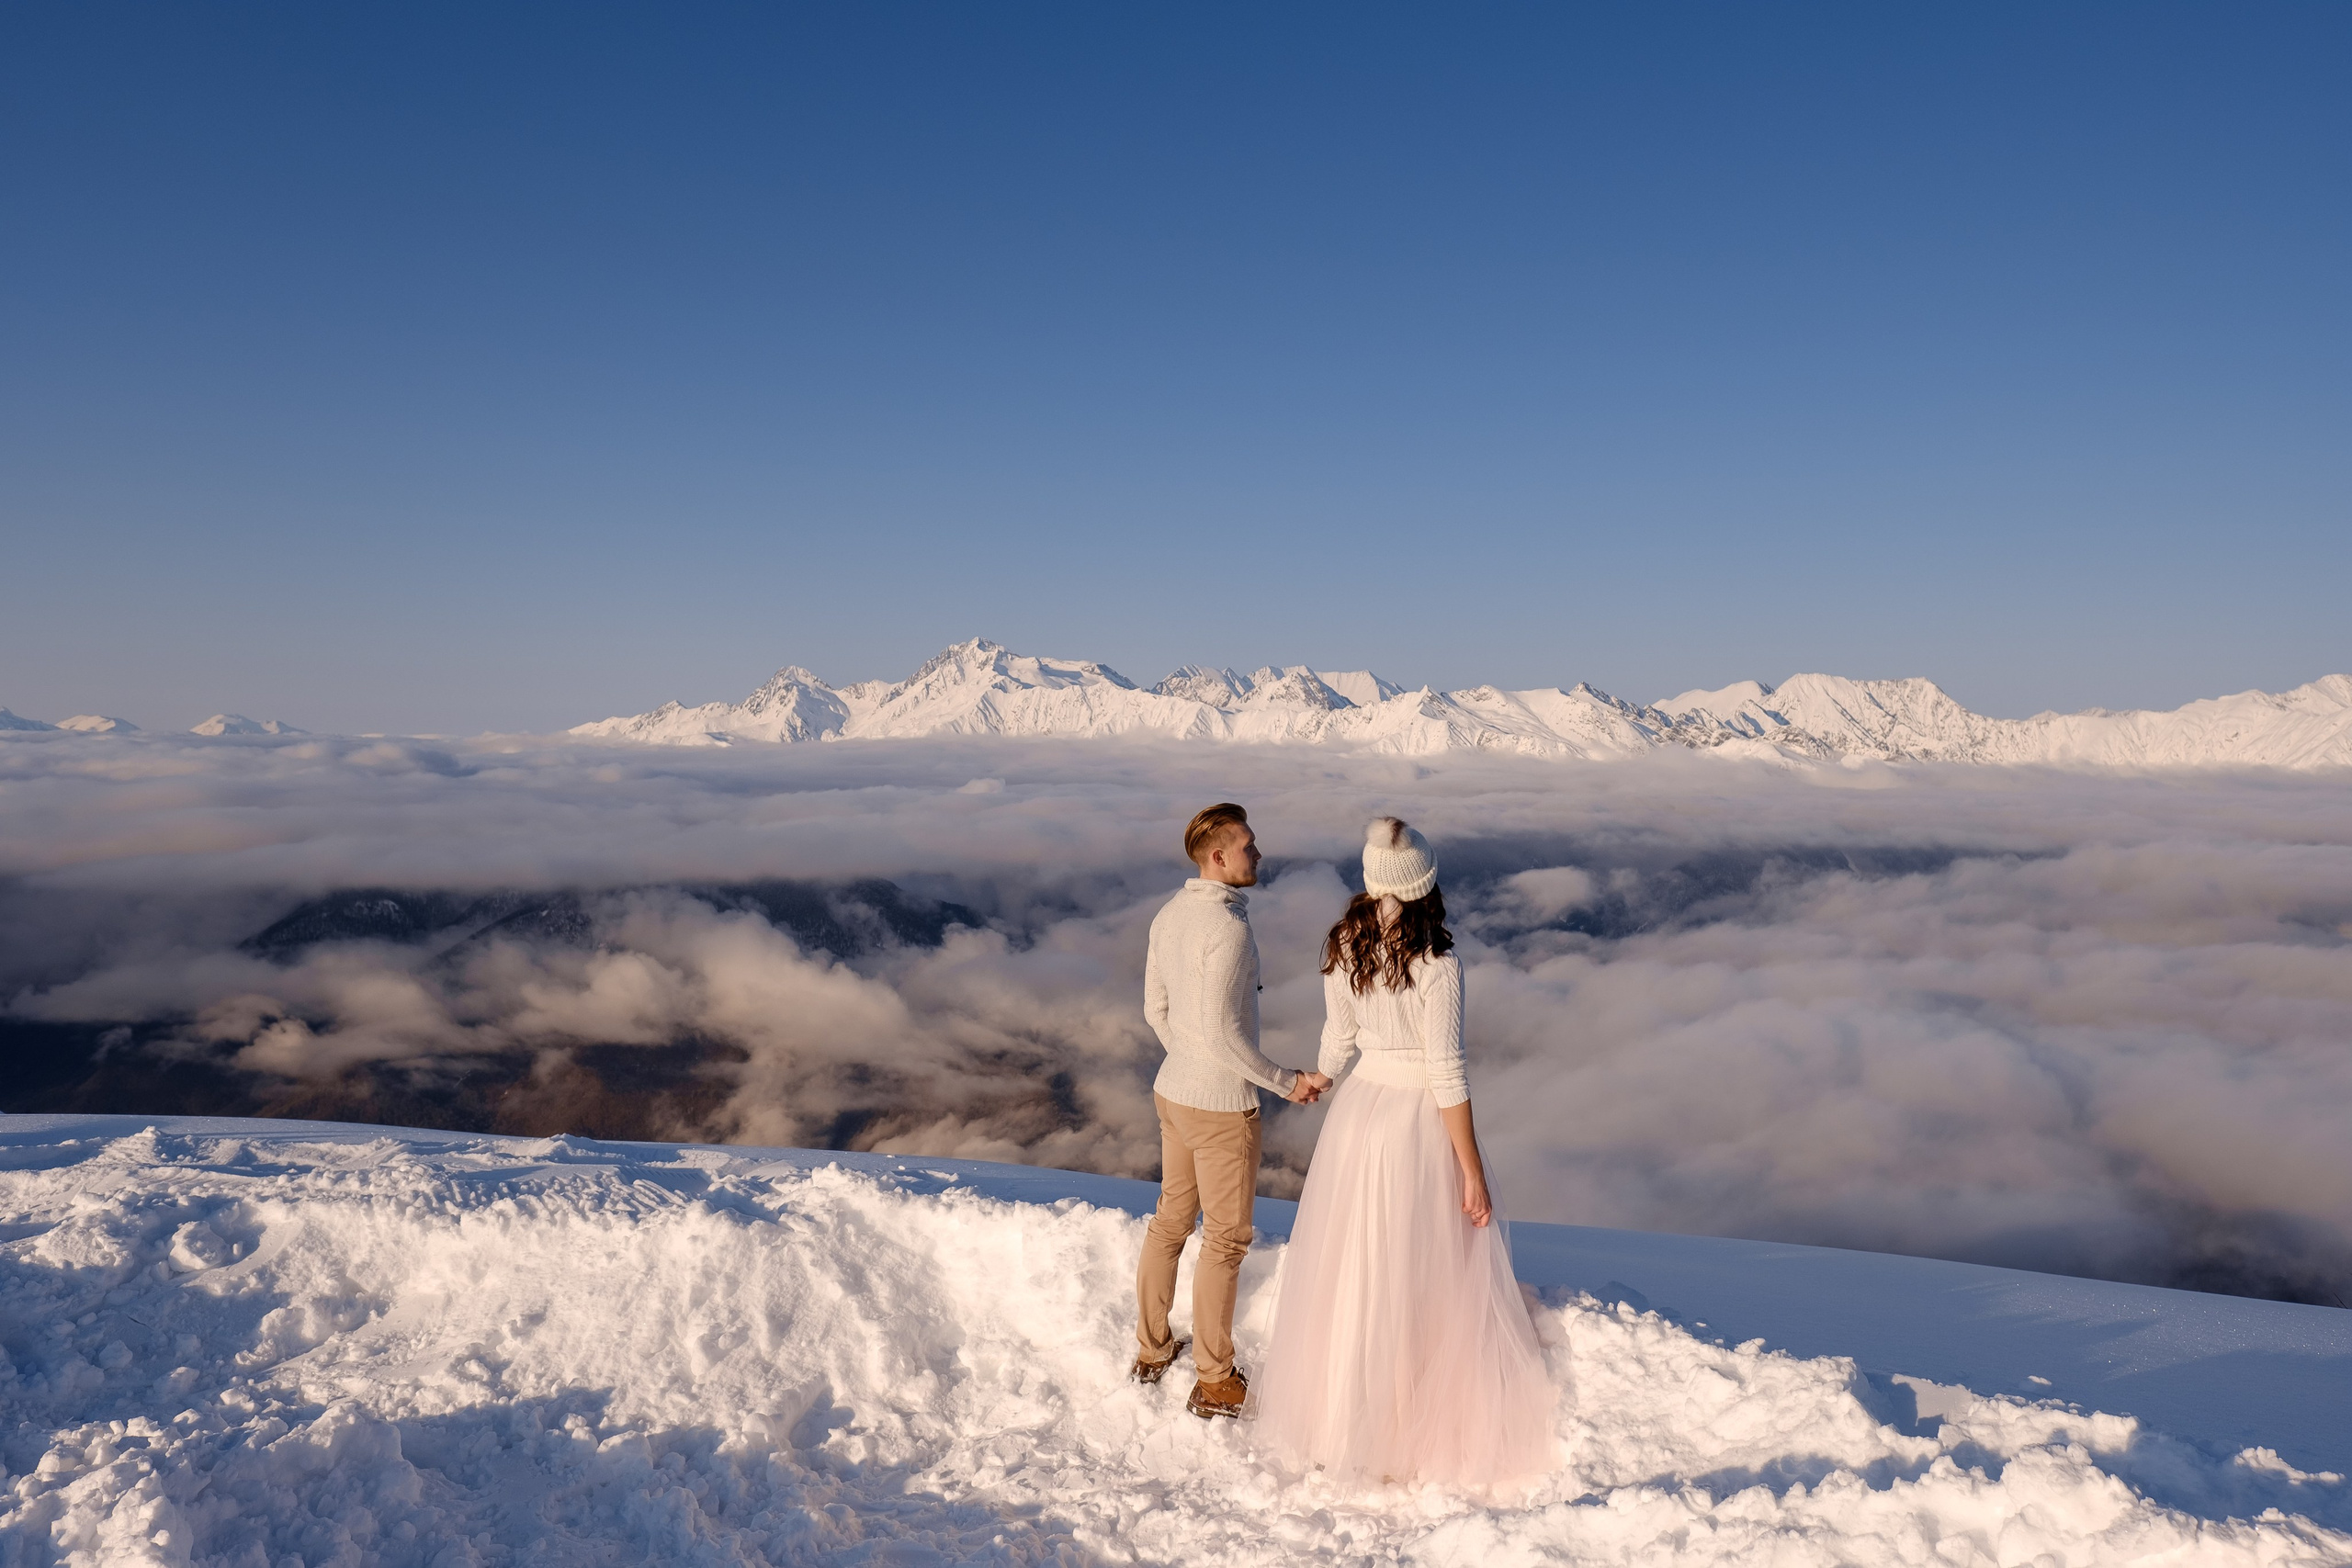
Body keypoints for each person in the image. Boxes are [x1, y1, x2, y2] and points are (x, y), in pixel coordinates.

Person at [1252, 817, 1555, 1489]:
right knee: (1417, 1269)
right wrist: (1472, 1172)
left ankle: (1339, 1422)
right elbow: (1447, 1072)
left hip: (1361, 1116)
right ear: (1425, 883)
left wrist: (1319, 1080)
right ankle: (1403, 1422)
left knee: (1358, 1266)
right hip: (1414, 1119)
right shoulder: (1438, 965)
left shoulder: (1344, 942)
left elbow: (1341, 1036)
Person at [1133, 802, 1332, 1419]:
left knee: (1170, 1219)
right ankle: (1216, 1380)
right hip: (1222, 1107)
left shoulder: (1169, 916)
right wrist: (1286, 1081)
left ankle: (1151, 1348)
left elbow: (1155, 1010)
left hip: (1174, 1091)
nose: (1258, 852)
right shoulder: (1228, 928)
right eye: (1247, 844)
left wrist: (1190, 1061)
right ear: (1217, 856)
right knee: (1225, 1239)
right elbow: (1223, 1033)